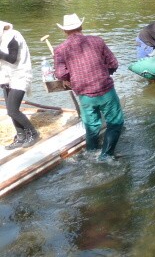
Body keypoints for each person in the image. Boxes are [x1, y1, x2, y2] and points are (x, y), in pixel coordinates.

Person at [53, 13, 124, 160]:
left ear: (65, 31)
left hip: (84, 94)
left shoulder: (60, 49)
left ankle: (91, 153)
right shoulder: (97, 41)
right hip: (105, 90)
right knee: (115, 123)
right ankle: (106, 155)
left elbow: (60, 74)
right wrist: (105, 73)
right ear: (81, 26)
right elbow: (113, 63)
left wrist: (68, 79)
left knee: (92, 126)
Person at [0, 21, 40, 149]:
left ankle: (34, 133)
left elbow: (12, 59)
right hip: (6, 76)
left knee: (13, 110)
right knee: (10, 111)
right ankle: (21, 137)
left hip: (20, 75)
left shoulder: (13, 37)